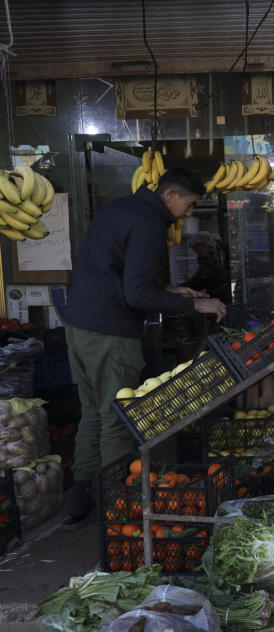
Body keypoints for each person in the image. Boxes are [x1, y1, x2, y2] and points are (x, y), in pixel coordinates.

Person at [60, 168, 227, 529]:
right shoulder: (151, 223)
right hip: (110, 332)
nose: (188, 214)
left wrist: (169, 291)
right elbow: (136, 295)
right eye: (189, 204)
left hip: (79, 326)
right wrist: (195, 305)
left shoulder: (120, 210)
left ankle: (79, 501)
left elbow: (120, 277)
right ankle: (118, 506)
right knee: (118, 417)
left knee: (92, 411)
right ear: (169, 196)